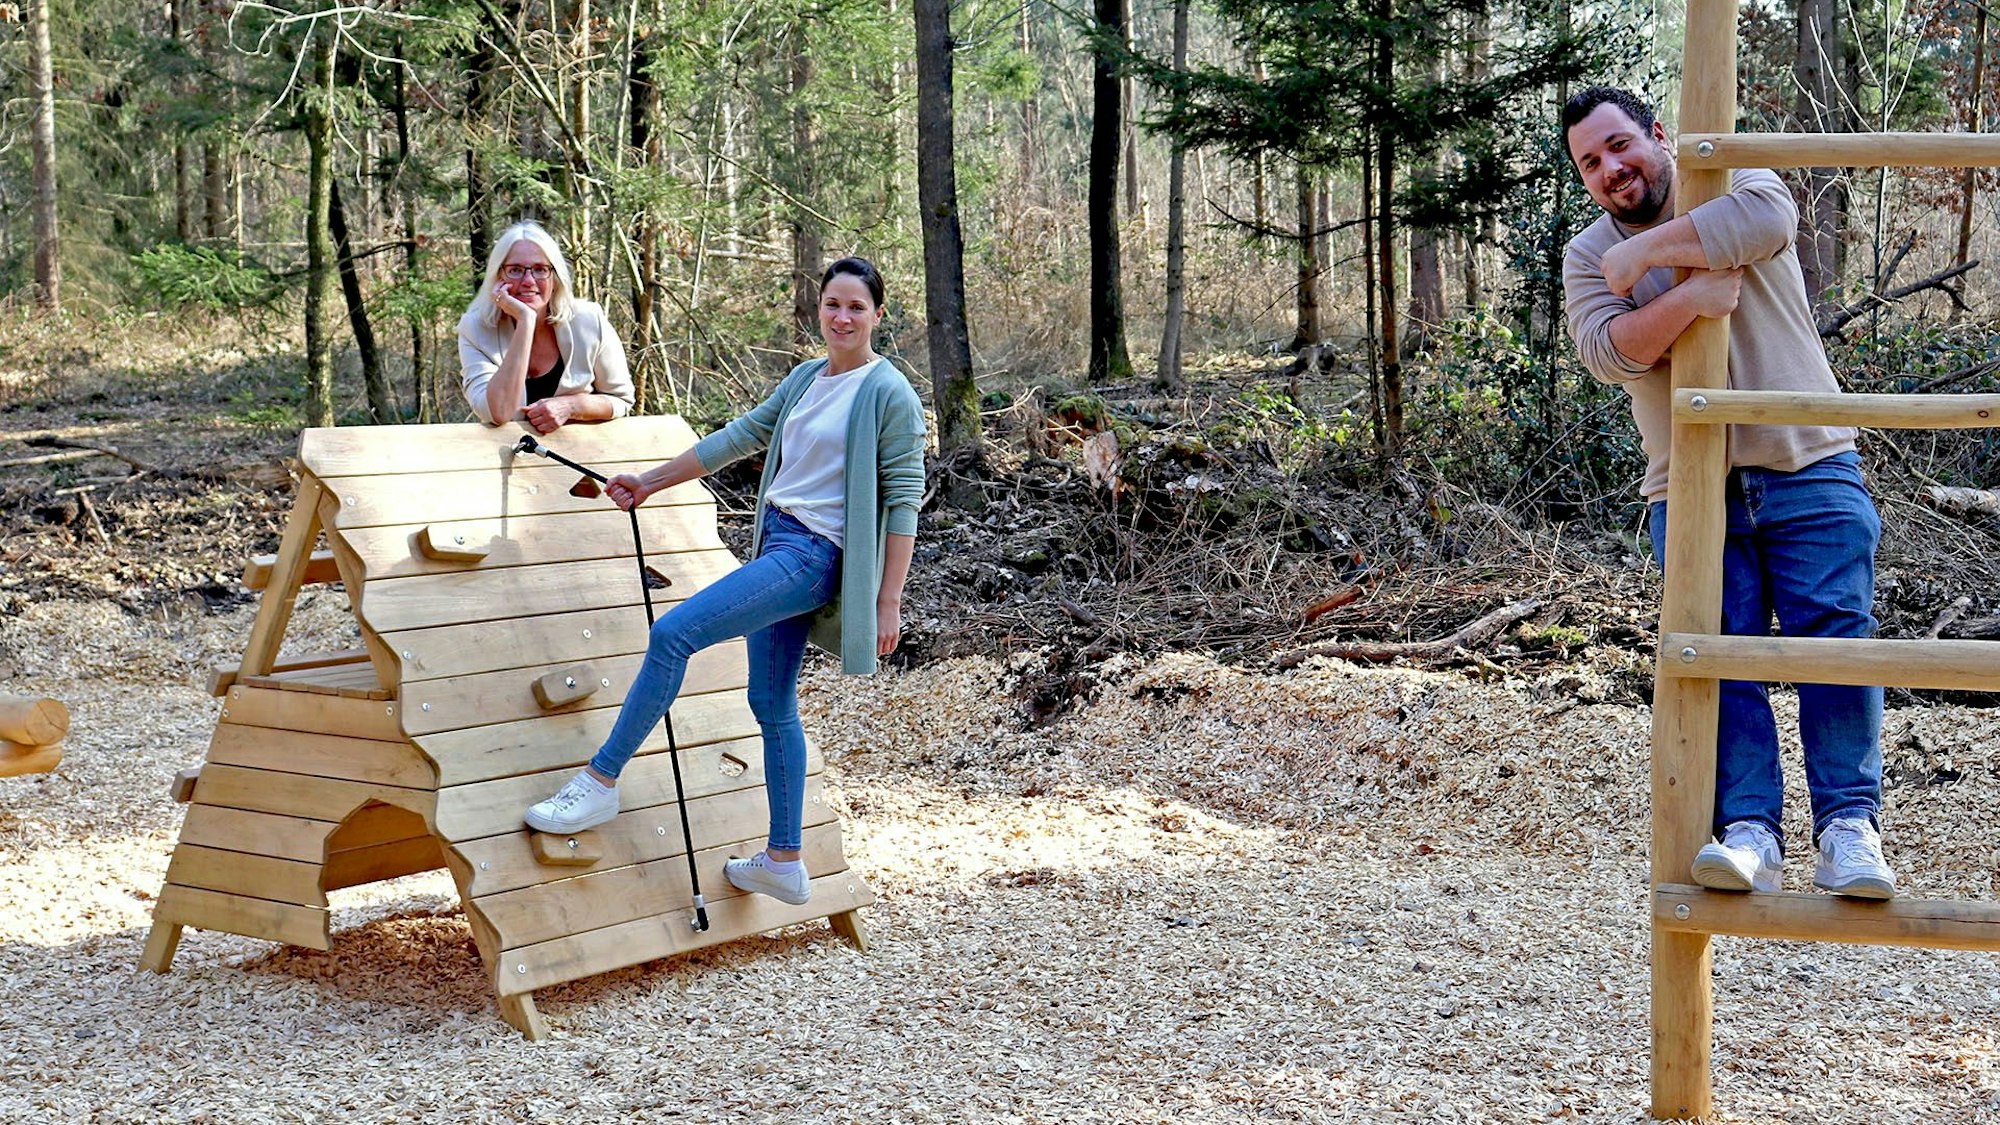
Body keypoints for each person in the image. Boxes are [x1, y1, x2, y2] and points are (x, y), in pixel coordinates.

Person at [1560, 86, 1896, 899]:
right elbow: (1608, 351)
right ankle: (1749, 831)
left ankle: (1849, 829)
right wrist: (1688, 295)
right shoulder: (1585, 252)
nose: (1610, 169)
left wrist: (1645, 259)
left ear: (1658, 133)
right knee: (1718, 658)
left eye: (1619, 145)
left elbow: (1769, 221)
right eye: (1590, 163)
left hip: (1808, 456)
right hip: (1688, 483)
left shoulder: (1733, 173)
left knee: (1836, 645)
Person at [522, 257, 926, 907]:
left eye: (857, 306)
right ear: (818, 309)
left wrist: (888, 601)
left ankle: (600, 782)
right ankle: (784, 860)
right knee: (771, 704)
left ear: (878, 315)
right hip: (779, 544)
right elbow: (740, 436)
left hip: (813, 557)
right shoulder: (807, 378)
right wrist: (648, 481)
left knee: (673, 634)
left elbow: (904, 500)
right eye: (833, 304)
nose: (843, 317)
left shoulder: (890, 393)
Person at [459, 220, 636, 433]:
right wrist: (526, 320)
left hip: (581, 450)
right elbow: (498, 412)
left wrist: (572, 406)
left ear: (555, 278)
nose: (528, 280)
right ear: (498, 277)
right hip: (506, 451)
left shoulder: (589, 320)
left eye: (540, 269)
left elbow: (621, 399)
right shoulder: (475, 330)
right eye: (515, 270)